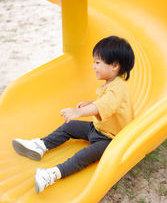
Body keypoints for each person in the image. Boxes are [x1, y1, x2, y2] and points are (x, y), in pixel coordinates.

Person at [12, 36, 135, 193]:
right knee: (69, 127)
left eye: (97, 62)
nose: (93, 66)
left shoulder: (118, 88)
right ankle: (41, 145)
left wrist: (79, 111)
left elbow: (104, 105)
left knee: (83, 156)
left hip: (111, 139)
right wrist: (89, 104)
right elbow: (104, 103)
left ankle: (52, 174)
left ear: (115, 65)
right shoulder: (110, 85)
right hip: (97, 128)